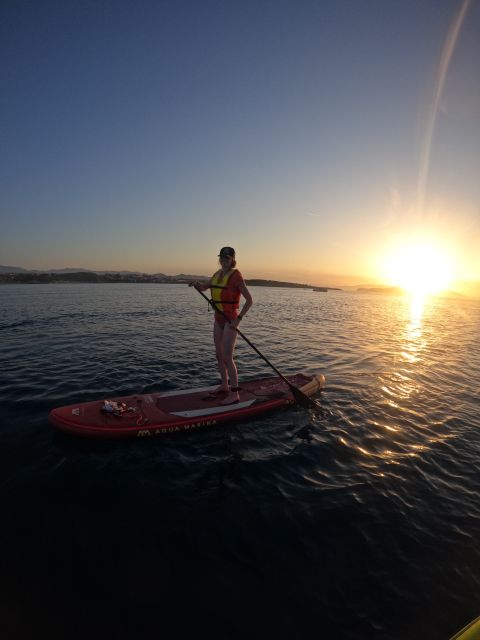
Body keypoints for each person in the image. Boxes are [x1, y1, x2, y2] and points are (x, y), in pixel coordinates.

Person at [189, 247, 253, 405]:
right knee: (218, 354)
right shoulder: (217, 274)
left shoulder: (236, 276)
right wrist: (197, 285)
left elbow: (249, 300)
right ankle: (224, 385)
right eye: (221, 257)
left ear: (232, 259)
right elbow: (205, 287)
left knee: (227, 357)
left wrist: (238, 319)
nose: (223, 260)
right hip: (218, 318)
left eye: (226, 257)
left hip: (230, 319)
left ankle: (235, 393)